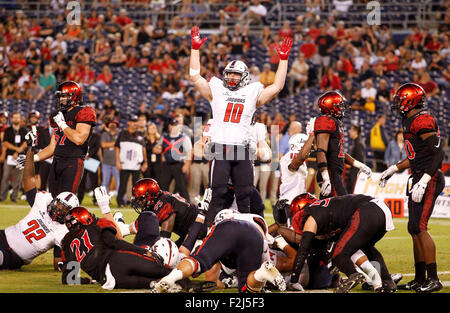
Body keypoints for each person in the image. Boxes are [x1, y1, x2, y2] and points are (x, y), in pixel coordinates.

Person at [188, 26, 292, 225]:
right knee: (217, 192)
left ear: (244, 77)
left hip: (242, 149)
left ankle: (248, 230)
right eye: (229, 74)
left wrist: (283, 61)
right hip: (221, 147)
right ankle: (209, 233)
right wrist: (195, 49)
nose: (232, 78)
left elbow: (277, 86)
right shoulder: (216, 89)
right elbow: (195, 76)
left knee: (245, 194)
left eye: (236, 75)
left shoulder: (252, 92)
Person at [379, 83, 445, 293]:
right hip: (418, 176)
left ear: (410, 100)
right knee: (413, 228)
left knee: (420, 227)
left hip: (429, 178)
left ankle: (434, 279)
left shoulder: (422, 119)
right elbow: (416, 156)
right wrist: (393, 168)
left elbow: (437, 154)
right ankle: (419, 278)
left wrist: (425, 179)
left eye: (400, 100)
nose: (397, 104)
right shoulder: (411, 121)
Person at [152, 208, 286, 293]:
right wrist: (266, 266)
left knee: (198, 261)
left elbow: (210, 278)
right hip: (254, 235)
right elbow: (263, 244)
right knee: (247, 288)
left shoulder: (218, 227)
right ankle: (261, 274)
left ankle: (170, 278)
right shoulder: (254, 219)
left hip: (225, 230)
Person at [1, 131, 79, 271]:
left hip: (11, 256)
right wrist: (30, 150)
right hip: (3, 235)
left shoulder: (63, 231)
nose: (58, 209)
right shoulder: (43, 200)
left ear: (69, 214)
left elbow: (58, 263)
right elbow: (29, 179)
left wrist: (68, 263)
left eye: (64, 208)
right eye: (58, 204)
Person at [289, 193, 396, 293]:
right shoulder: (326, 209)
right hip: (382, 210)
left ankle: (353, 275)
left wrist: (294, 280)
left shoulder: (311, 216)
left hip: (367, 211)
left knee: (339, 255)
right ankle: (387, 281)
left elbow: (303, 249)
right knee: (366, 247)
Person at [60, 206, 172, 289]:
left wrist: (90, 281)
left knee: (153, 283)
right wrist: (144, 251)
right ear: (85, 218)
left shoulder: (66, 245)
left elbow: (69, 278)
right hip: (117, 260)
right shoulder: (96, 225)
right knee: (166, 273)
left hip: (108, 280)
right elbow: (114, 242)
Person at [33, 81, 97, 198]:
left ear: (74, 96)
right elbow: (52, 147)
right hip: (56, 162)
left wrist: (63, 125)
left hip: (73, 161)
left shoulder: (84, 112)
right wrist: (33, 158)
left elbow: (79, 139)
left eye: (65, 96)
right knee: (53, 200)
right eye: (60, 96)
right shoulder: (57, 115)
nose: (61, 99)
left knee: (65, 202)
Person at [314, 91, 372, 199]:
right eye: (339, 106)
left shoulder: (336, 122)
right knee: (343, 207)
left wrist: (360, 165)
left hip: (335, 174)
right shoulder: (326, 121)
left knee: (330, 210)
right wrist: (326, 177)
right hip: (330, 174)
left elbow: (338, 152)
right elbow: (321, 150)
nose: (342, 108)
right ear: (330, 107)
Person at [116, 178, 200, 248]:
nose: (139, 203)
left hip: (200, 231)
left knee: (170, 253)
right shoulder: (158, 200)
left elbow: (164, 239)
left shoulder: (163, 205)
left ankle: (121, 228)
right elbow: (141, 227)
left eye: (141, 199)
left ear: (150, 195)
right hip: (191, 231)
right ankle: (122, 228)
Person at [115, 114, 147, 207]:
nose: (134, 124)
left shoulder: (140, 134)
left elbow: (143, 149)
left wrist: (145, 162)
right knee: (123, 184)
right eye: (132, 121)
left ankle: (135, 203)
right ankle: (120, 202)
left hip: (136, 164)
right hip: (124, 163)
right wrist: (117, 161)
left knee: (136, 185)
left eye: (135, 121)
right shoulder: (123, 133)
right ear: (128, 122)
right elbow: (117, 148)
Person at [159, 118, 192, 201]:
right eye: (171, 125)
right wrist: (161, 154)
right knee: (163, 186)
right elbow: (159, 148)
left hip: (179, 164)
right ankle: (163, 204)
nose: (173, 127)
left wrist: (186, 165)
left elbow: (189, 152)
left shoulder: (184, 137)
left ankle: (188, 205)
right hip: (167, 165)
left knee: (182, 187)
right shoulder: (164, 137)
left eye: (175, 125)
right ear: (169, 127)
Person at [0, 111, 27, 202]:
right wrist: (16, 149)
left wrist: (19, 150)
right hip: (9, 156)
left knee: (18, 179)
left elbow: (26, 142)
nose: (16, 119)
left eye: (17, 117)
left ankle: (14, 197)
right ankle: (2, 197)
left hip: (20, 157)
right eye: (14, 117)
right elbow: (5, 143)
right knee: (5, 177)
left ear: (20, 119)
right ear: (11, 119)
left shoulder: (24, 130)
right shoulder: (7, 130)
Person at [100, 119, 120, 196]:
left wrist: (108, 145)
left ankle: (121, 201)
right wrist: (115, 144)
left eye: (114, 124)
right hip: (106, 162)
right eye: (111, 123)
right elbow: (103, 145)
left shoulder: (120, 134)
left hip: (117, 162)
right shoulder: (105, 134)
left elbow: (120, 145)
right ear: (108, 125)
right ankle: (104, 200)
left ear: (117, 126)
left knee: (119, 182)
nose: (112, 125)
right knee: (105, 183)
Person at [345, 124, 366, 194]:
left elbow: (359, 159)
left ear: (355, 132)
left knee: (352, 190)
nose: (349, 132)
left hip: (355, 171)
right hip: (354, 170)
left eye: (351, 130)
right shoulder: (357, 142)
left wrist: (350, 164)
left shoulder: (358, 143)